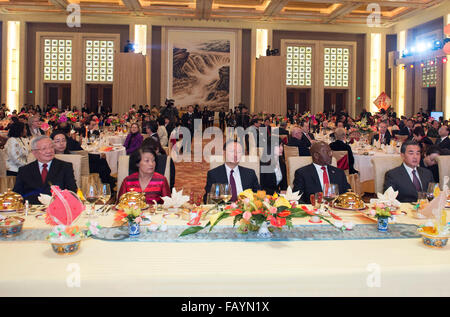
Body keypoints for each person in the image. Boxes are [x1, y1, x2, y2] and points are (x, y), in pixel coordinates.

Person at [13, 136, 77, 204]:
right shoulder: (24, 170)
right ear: (34, 152)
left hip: (57, 208)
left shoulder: (65, 167)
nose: (49, 151)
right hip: (31, 209)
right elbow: (17, 194)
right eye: (44, 148)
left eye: (51, 147)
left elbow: (72, 192)